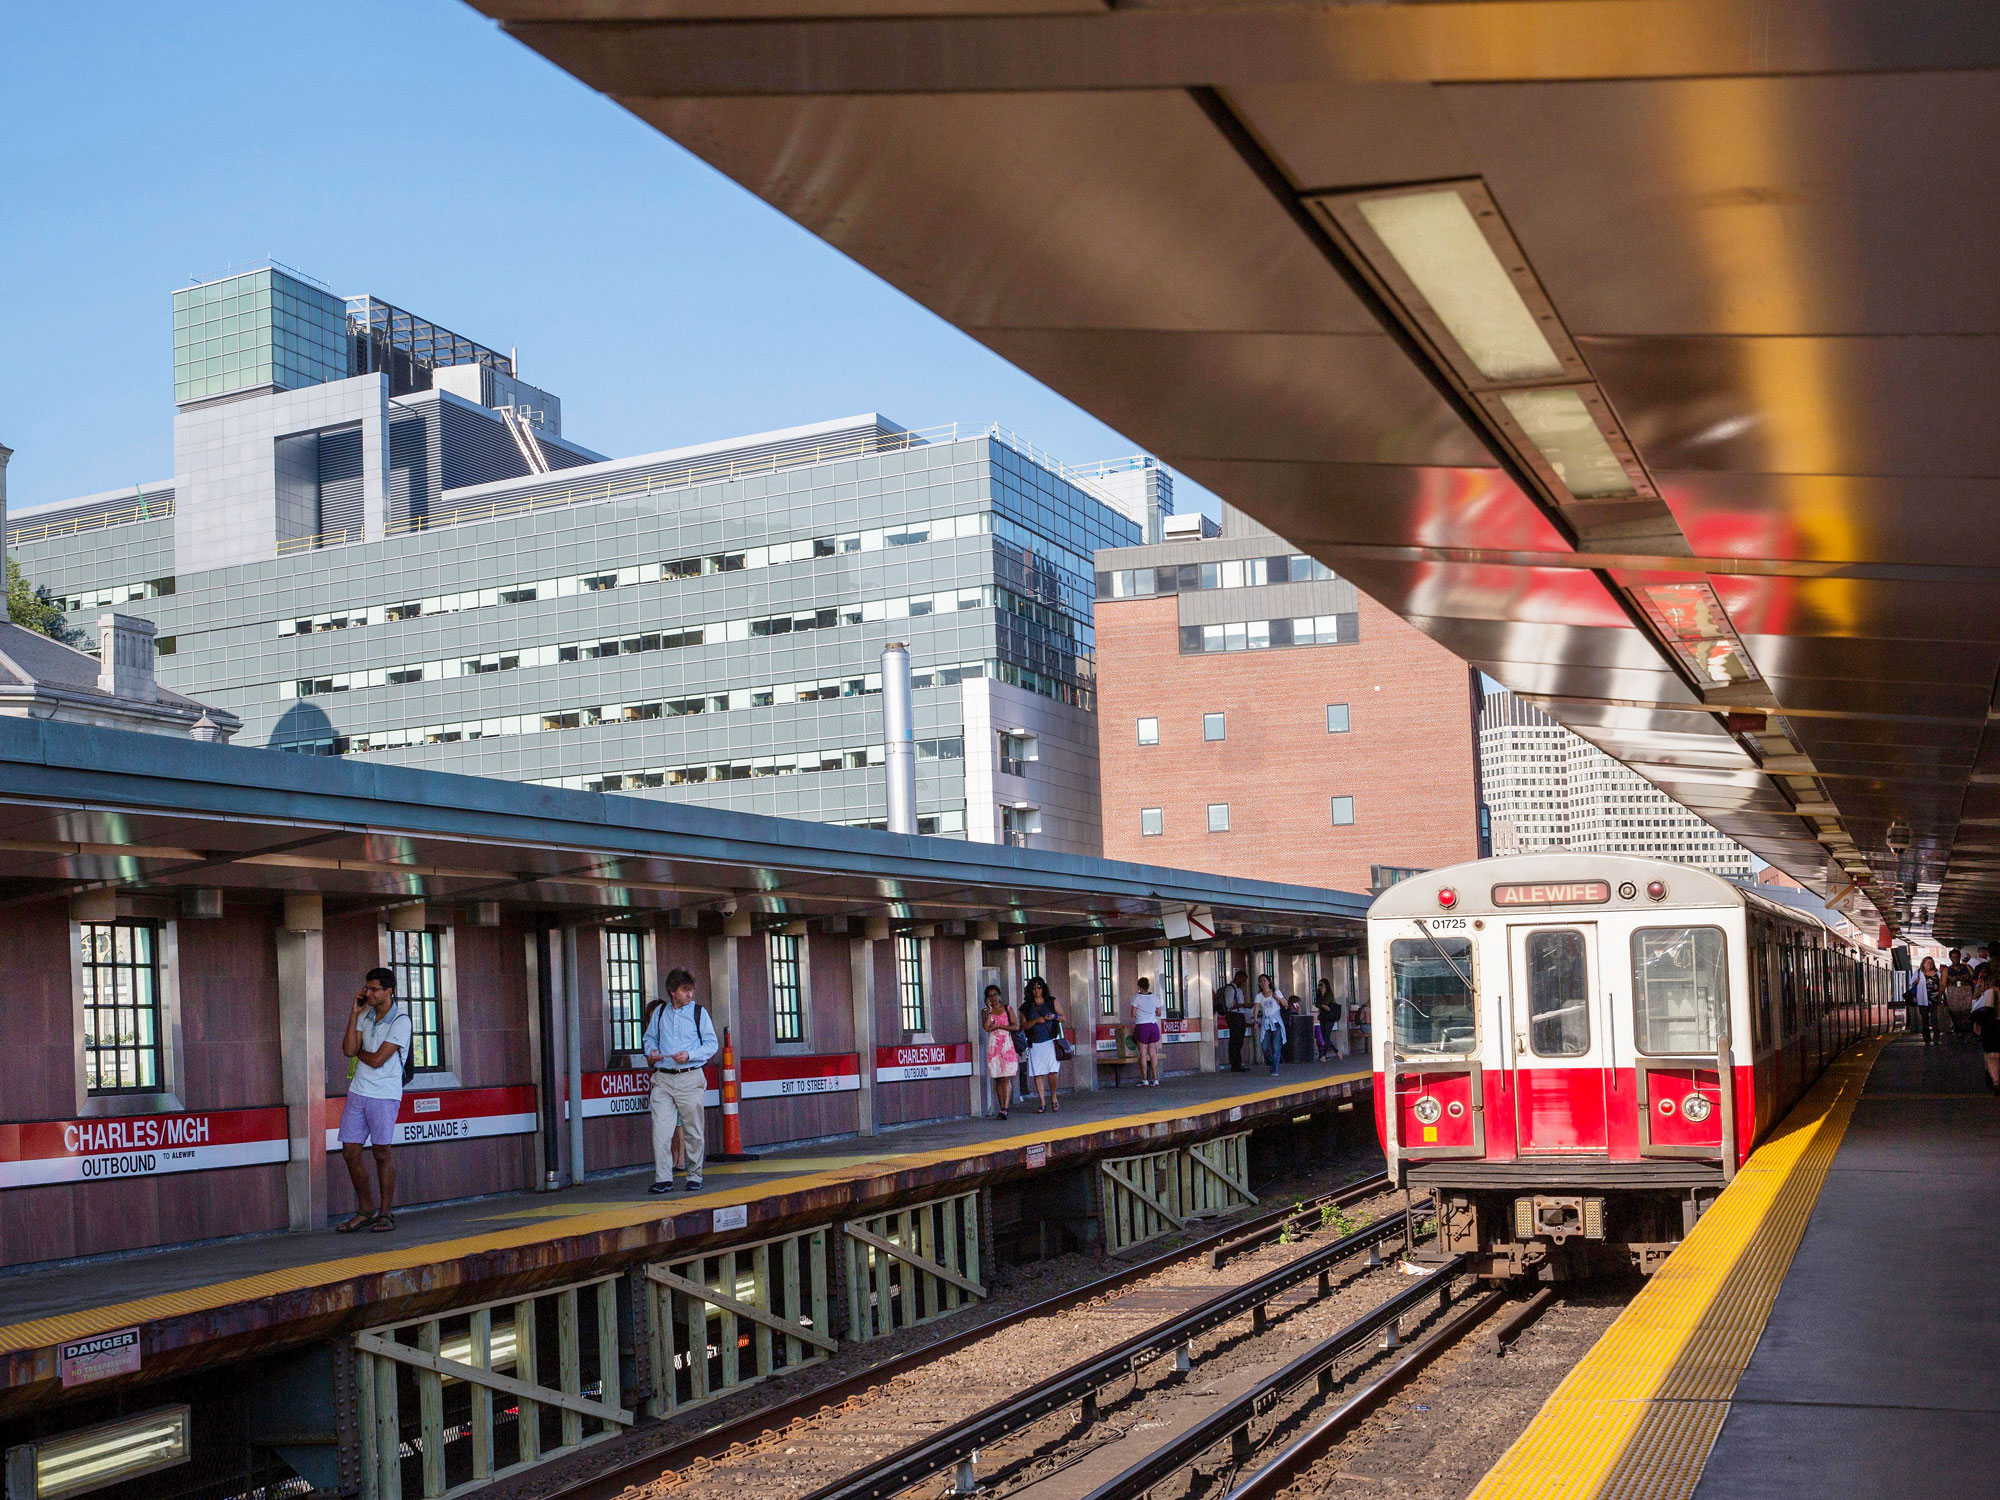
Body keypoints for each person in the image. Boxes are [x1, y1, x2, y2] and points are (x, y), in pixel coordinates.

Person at [337, 966, 411, 1233]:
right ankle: (365, 1209)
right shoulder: (364, 1014)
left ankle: (386, 1212)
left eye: (373, 989)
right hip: (358, 1092)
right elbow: (348, 1049)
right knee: (350, 1152)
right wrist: (354, 1012)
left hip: (384, 1094)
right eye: (366, 988)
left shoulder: (400, 1020)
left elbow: (379, 1060)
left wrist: (360, 1053)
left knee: (382, 1153)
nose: (367, 992)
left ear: (388, 991)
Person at [643, 967, 719, 1193]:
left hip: (690, 1076)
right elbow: (649, 1039)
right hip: (663, 1078)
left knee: (693, 1130)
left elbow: (711, 1044)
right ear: (672, 991)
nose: (690, 995)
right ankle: (663, 1178)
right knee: (661, 1131)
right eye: (685, 990)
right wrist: (653, 1051)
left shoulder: (699, 1013)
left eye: (691, 990)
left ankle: (695, 1175)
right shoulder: (658, 1013)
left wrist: (690, 1055)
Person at [1019, 976, 1065, 1113]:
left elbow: (1063, 1017)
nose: (1036, 991)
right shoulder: (1025, 1007)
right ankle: (1042, 1101)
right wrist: (1035, 1021)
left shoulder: (1051, 1001)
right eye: (1033, 988)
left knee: (1052, 1072)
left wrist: (1054, 1017)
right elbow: (1024, 1025)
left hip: (1051, 1040)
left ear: (1043, 988)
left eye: (1039, 987)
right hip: (1035, 1042)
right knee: (1038, 1072)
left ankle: (1053, 1096)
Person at [981, 984, 1020, 1119]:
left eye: (995, 995)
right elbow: (986, 1027)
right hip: (994, 1045)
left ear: (999, 995)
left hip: (1007, 1043)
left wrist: (1000, 1026)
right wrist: (990, 1012)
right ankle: (1001, 1106)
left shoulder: (1007, 1008)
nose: (993, 998)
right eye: (990, 996)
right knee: (998, 1077)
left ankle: (1005, 1107)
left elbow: (1016, 1026)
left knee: (1006, 1076)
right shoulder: (985, 1011)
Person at [1130, 975, 1165, 1088]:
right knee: (1153, 1054)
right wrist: (1150, 1013)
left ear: (1139, 986)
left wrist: (1143, 1013)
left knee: (1143, 1054)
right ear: (1148, 986)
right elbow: (1159, 1013)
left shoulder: (1136, 997)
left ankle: (1145, 1080)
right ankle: (1155, 1080)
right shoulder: (1155, 997)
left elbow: (1132, 1014)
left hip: (1142, 1027)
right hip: (1153, 1026)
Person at [1971, 974, 2000, 1092]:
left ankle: (1995, 1081)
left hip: (1989, 1024)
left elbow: (1977, 1006)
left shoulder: (1982, 993)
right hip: (1993, 1023)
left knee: (1992, 1054)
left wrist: (1976, 1023)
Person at [1254, 974, 1286, 1076]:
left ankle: (1275, 1069)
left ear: (1268, 981)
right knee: (1264, 1046)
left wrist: (1277, 998)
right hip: (1266, 1023)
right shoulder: (1259, 996)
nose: (1262, 983)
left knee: (1276, 1046)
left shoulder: (1276, 992)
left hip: (1276, 1022)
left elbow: (1285, 1004)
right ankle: (1271, 1062)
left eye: (1264, 980)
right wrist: (1255, 1021)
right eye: (1260, 981)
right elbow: (1256, 1009)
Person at [1221, 970, 1250, 1071]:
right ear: (1237, 978)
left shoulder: (1238, 989)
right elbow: (1229, 1005)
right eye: (1242, 981)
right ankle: (1235, 1065)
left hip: (1239, 1015)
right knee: (1235, 1040)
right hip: (1234, 1016)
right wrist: (1243, 1005)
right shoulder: (1230, 989)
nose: (1243, 983)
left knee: (1239, 1041)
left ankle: (1238, 1063)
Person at [1910, 957, 1941, 1047]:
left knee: (1934, 1019)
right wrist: (1916, 981)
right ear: (1923, 964)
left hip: (1934, 999)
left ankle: (1936, 1038)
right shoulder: (1919, 973)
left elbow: (1941, 985)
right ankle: (1927, 1038)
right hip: (1923, 1000)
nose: (1929, 965)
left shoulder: (1937, 973)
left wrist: (1941, 997)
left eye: (1931, 963)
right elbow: (1911, 983)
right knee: (1925, 1019)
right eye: (1927, 963)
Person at [1945, 949, 1975, 1040]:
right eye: (1953, 957)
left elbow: (1973, 980)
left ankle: (1966, 1033)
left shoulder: (1967, 968)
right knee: (1955, 1014)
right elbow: (1943, 983)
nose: (1955, 959)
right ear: (1950, 958)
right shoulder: (1947, 970)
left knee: (1966, 1013)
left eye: (1957, 957)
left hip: (1966, 994)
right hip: (1953, 995)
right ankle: (1959, 1031)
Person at [1313, 978, 1341, 1061]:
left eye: (1322, 985)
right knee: (1325, 1037)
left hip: (1330, 1017)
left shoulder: (1329, 994)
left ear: (1326, 985)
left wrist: (1322, 1004)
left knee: (1327, 1036)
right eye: (1319, 985)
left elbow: (1327, 1004)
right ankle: (1337, 1051)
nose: (1320, 987)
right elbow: (1317, 1004)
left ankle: (1324, 1056)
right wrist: (1322, 1005)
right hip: (1323, 1016)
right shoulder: (1318, 993)